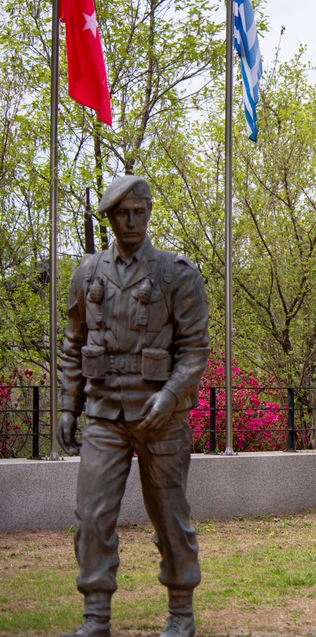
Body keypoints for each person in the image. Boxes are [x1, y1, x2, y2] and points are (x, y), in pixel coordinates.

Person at [58, 176, 210, 637]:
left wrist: (170, 395)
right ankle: (96, 618)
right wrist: (68, 405)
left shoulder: (176, 273)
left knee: (170, 515)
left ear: (148, 213)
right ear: (109, 218)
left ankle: (180, 611)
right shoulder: (87, 274)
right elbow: (73, 344)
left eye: (139, 212)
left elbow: (194, 351)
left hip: (160, 417)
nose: (131, 221)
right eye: (122, 213)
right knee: (91, 515)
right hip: (104, 414)